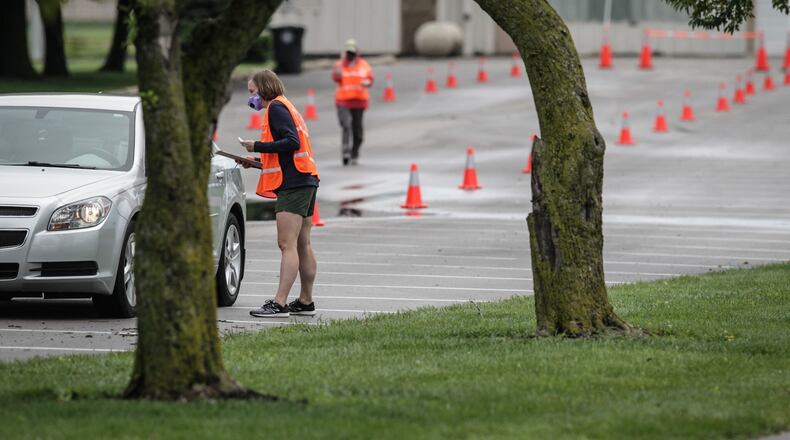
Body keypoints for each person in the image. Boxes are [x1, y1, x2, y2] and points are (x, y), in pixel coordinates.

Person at [237, 69, 320, 318]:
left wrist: (257, 145)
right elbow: (286, 153)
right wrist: (256, 160)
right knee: (302, 244)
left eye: (252, 92)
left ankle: (280, 303)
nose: (251, 97)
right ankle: (305, 301)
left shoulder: (276, 108)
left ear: (263, 88)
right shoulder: (285, 106)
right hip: (304, 178)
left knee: (287, 244)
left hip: (294, 184)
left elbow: (291, 142)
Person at [332, 38, 373, 166]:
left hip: (359, 102)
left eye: (352, 52)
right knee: (346, 125)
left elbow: (370, 79)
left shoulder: (364, 65)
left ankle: (354, 152)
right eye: (348, 53)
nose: (350, 55)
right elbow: (335, 77)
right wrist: (341, 67)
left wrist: (367, 82)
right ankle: (345, 152)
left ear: (357, 52)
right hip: (343, 101)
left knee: (358, 130)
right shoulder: (340, 65)